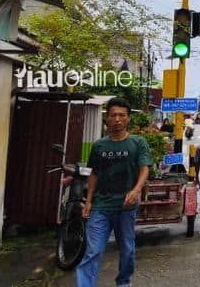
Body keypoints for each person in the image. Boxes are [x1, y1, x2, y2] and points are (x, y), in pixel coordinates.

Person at [77, 98, 153, 287]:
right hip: (101, 206)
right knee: (93, 250)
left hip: (126, 207)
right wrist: (88, 201)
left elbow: (145, 168)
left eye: (121, 115)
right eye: (113, 115)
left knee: (127, 249)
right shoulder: (100, 146)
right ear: (107, 118)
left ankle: (123, 282)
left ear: (128, 118)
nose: (117, 119)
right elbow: (94, 173)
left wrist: (136, 190)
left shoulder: (138, 142)